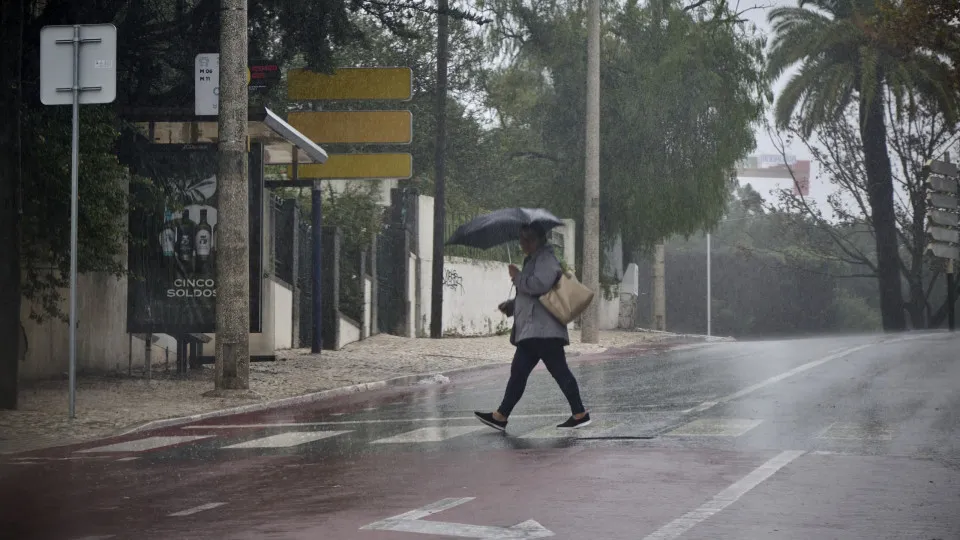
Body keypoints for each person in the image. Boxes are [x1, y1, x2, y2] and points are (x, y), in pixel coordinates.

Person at [474, 224, 591, 432]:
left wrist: (517, 276)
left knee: (558, 371)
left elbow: (539, 285)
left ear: (537, 239)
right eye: (521, 239)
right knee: (519, 372)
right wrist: (511, 306)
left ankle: (580, 413)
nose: (522, 243)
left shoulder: (546, 259)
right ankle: (500, 416)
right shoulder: (534, 259)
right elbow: (532, 295)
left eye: (526, 239)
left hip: (544, 330)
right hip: (534, 330)